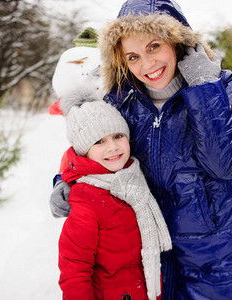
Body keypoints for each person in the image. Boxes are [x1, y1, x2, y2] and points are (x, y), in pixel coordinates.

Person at [51, 0, 232, 298]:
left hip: (220, 267)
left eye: (154, 47)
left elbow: (225, 164)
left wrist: (202, 86)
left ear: (178, 41)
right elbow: (94, 147)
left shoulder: (221, 86)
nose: (147, 65)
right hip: (154, 262)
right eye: (133, 56)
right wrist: (66, 180)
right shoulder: (122, 100)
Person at [52, 42, 172, 300]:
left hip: (146, 288)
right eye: (99, 142)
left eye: (118, 136)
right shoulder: (87, 200)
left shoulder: (133, 178)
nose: (113, 147)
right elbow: (74, 270)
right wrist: (61, 181)